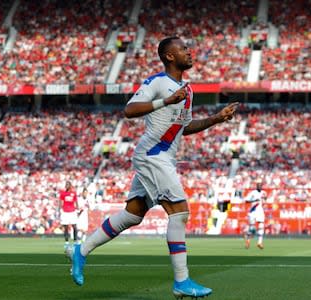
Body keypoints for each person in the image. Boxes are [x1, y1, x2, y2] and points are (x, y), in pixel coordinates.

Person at [71, 36, 238, 298]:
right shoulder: (157, 83)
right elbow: (130, 109)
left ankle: (81, 251)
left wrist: (217, 119)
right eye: (183, 49)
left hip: (163, 157)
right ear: (169, 56)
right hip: (152, 156)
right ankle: (181, 282)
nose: (189, 52)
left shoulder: (187, 89)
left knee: (132, 215)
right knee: (179, 212)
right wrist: (166, 101)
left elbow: (185, 127)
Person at [243, 181, 266, 250]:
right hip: (253, 211)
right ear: (256, 186)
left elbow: (264, 200)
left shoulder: (264, 193)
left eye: (260, 185)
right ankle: (248, 240)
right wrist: (254, 200)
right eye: (258, 185)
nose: (259, 186)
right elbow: (246, 201)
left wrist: (263, 202)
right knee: (251, 228)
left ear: (262, 186)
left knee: (261, 226)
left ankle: (259, 242)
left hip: (260, 211)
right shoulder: (253, 193)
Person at [59, 181, 79, 254]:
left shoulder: (74, 193)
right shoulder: (63, 194)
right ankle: (66, 242)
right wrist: (60, 210)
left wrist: (78, 209)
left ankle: (75, 241)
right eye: (66, 184)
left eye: (68, 184)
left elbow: (76, 202)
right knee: (66, 227)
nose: (67, 186)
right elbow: (60, 202)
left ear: (70, 186)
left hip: (72, 211)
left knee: (74, 226)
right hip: (65, 212)